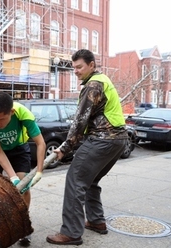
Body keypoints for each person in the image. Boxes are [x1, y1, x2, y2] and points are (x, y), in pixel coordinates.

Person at [46, 49, 127, 245]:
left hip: (102, 139)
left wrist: (65, 148)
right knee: (90, 181)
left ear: (91, 65)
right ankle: (97, 221)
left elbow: (80, 121)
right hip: (118, 139)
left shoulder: (93, 84)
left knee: (75, 181)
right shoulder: (103, 80)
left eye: (79, 66)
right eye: (73, 67)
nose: (76, 71)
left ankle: (72, 232)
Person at [0, 92, 46, 247]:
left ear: (11, 112)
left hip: (19, 148)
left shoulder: (24, 114)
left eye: (1, 119)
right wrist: (12, 177)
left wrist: (39, 171)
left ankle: (23, 225)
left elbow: (41, 143)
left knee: (24, 188)